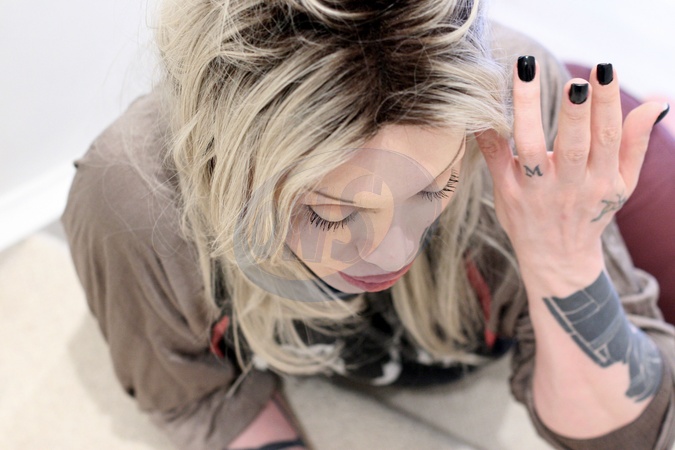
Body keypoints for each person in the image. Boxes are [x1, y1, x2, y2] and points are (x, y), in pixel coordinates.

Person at [62, 0, 675, 448]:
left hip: (579, 144)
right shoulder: (133, 199)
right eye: (333, 212)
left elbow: (636, 438)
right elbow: (198, 400)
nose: (391, 254)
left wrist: (561, 262)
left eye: (433, 189)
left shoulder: (514, 133)